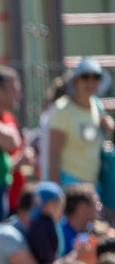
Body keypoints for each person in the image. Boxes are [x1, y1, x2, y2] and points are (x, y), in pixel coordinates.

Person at [48, 57, 114, 187]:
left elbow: (103, 134)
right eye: (85, 77)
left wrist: (109, 126)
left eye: (96, 77)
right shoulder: (62, 109)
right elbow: (53, 156)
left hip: (94, 185)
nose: (91, 82)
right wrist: (57, 192)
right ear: (75, 81)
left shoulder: (96, 105)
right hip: (69, 185)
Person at [0, 67, 26, 228]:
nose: (18, 96)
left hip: (14, 197)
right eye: (14, 91)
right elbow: (9, 146)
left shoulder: (9, 117)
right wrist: (19, 161)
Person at [26, 182, 65, 264]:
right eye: (60, 205)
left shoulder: (49, 223)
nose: (62, 210)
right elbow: (48, 259)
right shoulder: (39, 226)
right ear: (49, 205)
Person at [60, 183, 102, 255]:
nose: (99, 207)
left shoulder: (89, 234)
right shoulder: (59, 235)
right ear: (82, 207)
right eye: (96, 203)